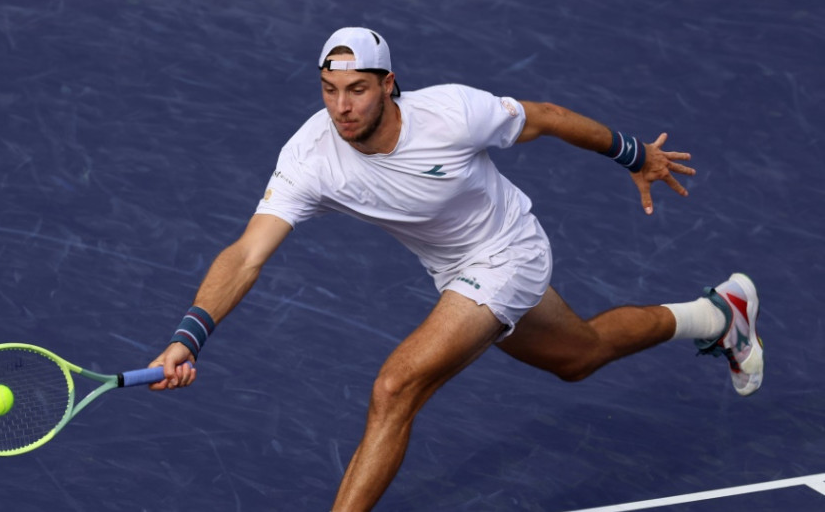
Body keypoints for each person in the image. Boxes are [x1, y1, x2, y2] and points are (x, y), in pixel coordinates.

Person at [148, 27, 763, 511]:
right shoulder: (309, 156)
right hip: (452, 270)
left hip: (510, 253)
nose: (342, 106)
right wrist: (187, 336)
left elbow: (544, 115)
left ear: (389, 84)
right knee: (580, 356)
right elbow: (246, 253)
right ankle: (717, 316)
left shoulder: (452, 114)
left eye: (357, 89)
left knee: (396, 387)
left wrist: (633, 154)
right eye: (330, 91)